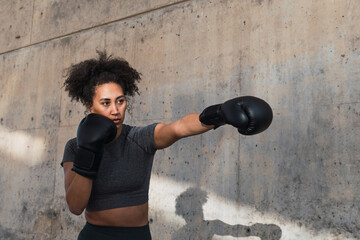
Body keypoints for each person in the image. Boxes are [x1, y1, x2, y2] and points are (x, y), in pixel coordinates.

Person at [61, 51, 273, 240]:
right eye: (106, 103)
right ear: (90, 106)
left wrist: (220, 114)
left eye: (120, 100)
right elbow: (76, 206)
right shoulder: (75, 147)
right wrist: (89, 150)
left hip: (138, 235)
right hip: (96, 235)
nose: (115, 110)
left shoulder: (138, 138)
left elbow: (177, 128)